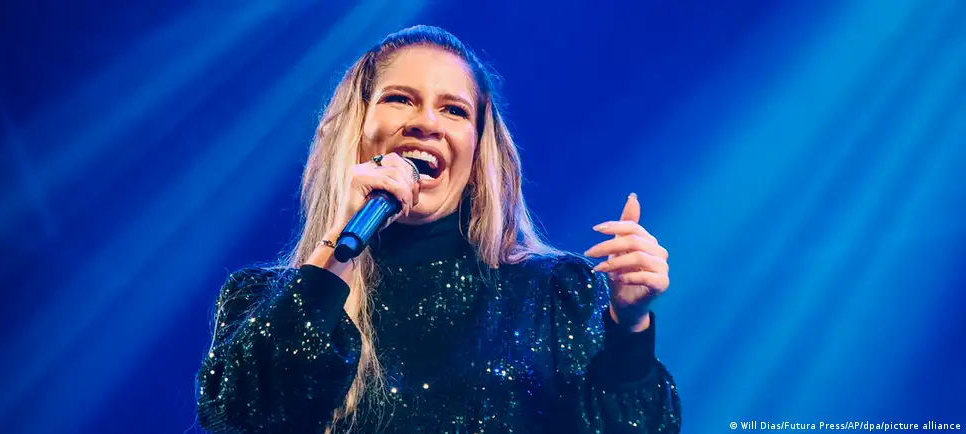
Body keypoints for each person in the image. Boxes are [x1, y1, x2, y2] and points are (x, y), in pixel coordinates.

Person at [195, 25, 680, 433]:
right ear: (356, 129)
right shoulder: (260, 301)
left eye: (454, 109)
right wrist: (337, 247)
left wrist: (630, 328)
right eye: (400, 99)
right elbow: (241, 417)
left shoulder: (554, 294)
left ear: (478, 150)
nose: (426, 123)